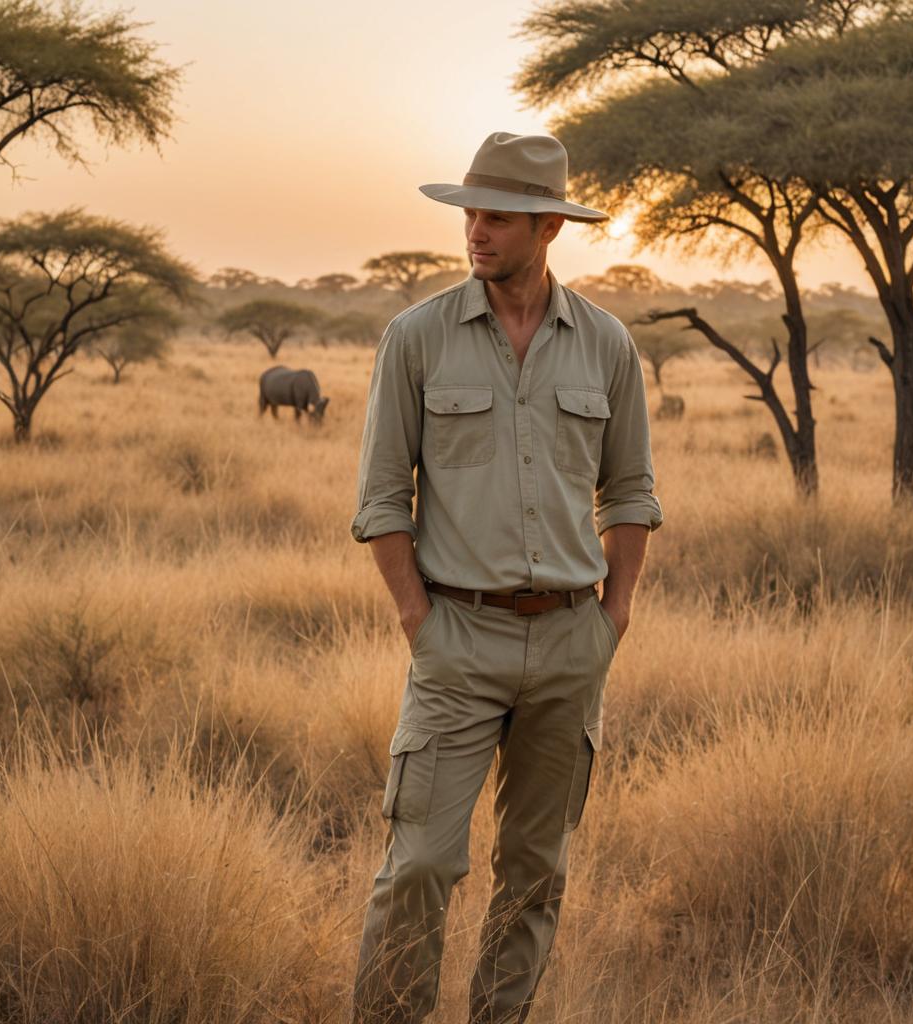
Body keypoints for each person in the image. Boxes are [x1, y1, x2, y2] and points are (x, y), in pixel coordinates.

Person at [349, 130, 663, 1023]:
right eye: (470, 215)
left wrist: (614, 617)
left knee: (536, 874)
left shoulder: (607, 345)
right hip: (457, 641)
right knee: (418, 866)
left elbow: (633, 490)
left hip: (572, 644)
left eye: (495, 218)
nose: (474, 232)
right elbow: (380, 498)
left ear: (547, 227)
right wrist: (420, 623)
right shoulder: (416, 339)